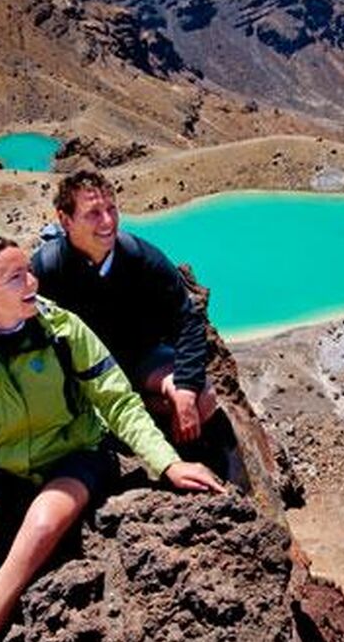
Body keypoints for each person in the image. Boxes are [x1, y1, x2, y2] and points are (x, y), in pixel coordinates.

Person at [0, 235, 223, 642]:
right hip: (4, 466)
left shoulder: (63, 329)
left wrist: (169, 463)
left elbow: (118, 402)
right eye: (16, 277)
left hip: (76, 456)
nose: (32, 282)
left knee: (42, 527)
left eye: (29, 272)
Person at [30, 171, 234, 468]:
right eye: (94, 214)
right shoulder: (46, 269)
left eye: (112, 209)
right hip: (79, 373)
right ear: (65, 220)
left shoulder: (142, 258)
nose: (108, 222)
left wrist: (186, 389)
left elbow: (187, 322)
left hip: (139, 359)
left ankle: (155, 428)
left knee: (201, 400)